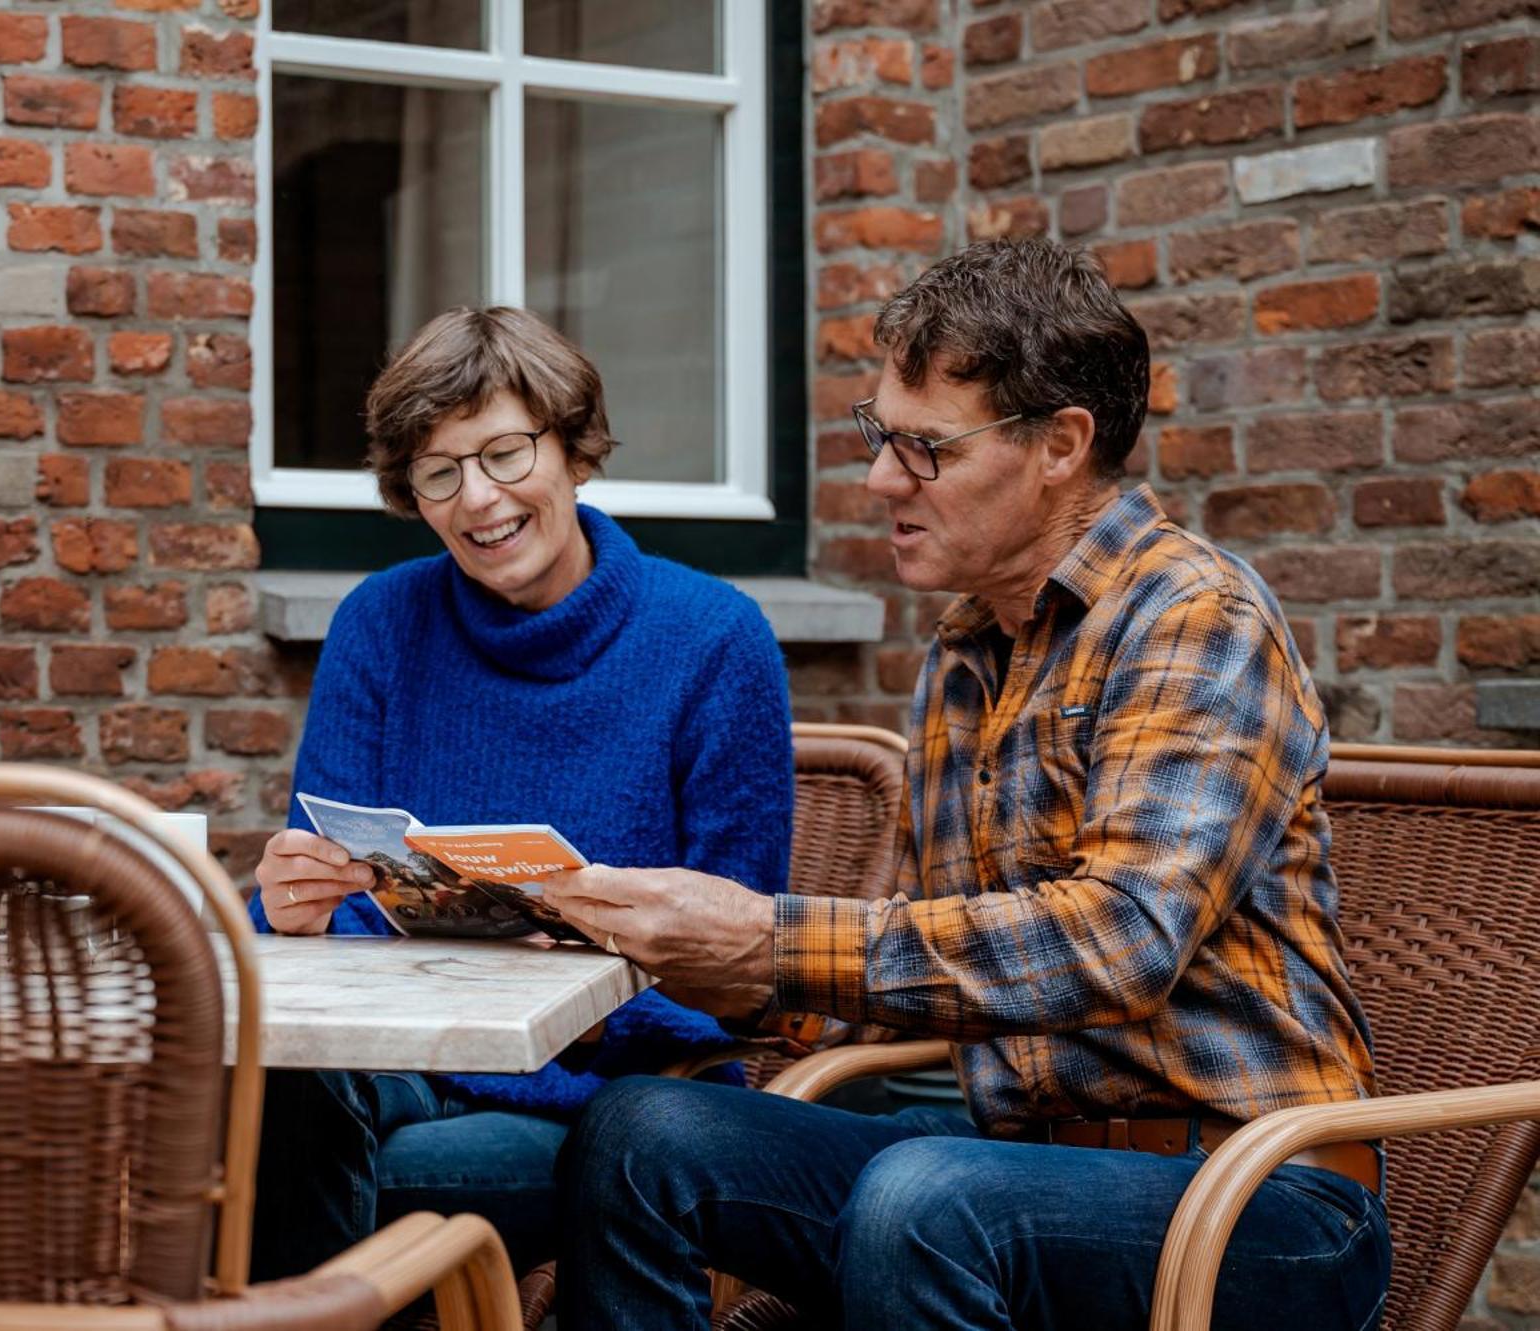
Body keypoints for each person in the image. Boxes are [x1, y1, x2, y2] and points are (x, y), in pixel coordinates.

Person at [542, 239, 1391, 1331]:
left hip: (1257, 1194)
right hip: (1015, 1171)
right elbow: (926, 947)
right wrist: (687, 959)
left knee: (927, 1197)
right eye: (878, 437)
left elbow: (1116, 940)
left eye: (923, 448)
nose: (879, 480)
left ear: (1060, 445)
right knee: (640, 1136)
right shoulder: (966, 649)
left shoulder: (1193, 618)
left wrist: (767, 936)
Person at [245, 306, 794, 1283]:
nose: (477, 498)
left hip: (597, 1095)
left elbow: (742, 970)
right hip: (388, 1069)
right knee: (264, 1096)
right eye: (438, 472)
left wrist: (566, 999)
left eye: (503, 453)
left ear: (573, 449)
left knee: (271, 1166)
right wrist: (290, 907)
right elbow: (328, 912)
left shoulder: (713, 639)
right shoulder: (379, 620)